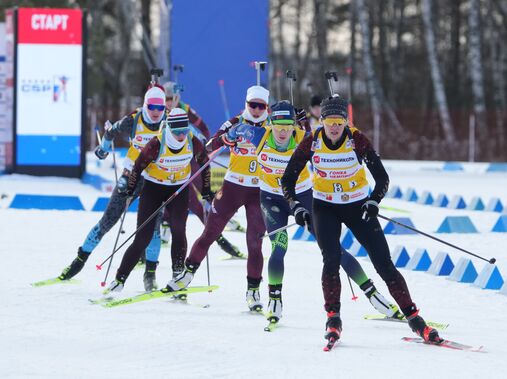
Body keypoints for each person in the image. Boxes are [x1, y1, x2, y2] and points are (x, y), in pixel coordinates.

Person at [281, 95, 441, 344]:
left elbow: (382, 178)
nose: (334, 127)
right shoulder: (311, 142)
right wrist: (296, 207)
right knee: (331, 260)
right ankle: (333, 320)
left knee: (384, 264)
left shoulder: (357, 140)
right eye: (330, 121)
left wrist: (374, 200)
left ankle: (416, 320)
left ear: (346, 121)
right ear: (321, 121)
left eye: (339, 121)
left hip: (357, 207)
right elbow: (287, 180)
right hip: (324, 208)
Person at [256, 100, 401, 325]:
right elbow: (221, 141)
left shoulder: (302, 137)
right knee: (279, 246)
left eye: (287, 125)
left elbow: (328, 140)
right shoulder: (260, 137)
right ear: (269, 123)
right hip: (272, 198)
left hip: (305, 196)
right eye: (277, 125)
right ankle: (274, 299)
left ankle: (373, 295)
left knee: (334, 252)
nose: (283, 131)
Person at [164, 85, 270, 311]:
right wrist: (228, 138)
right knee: (210, 232)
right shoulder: (235, 121)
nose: (257, 110)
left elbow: (290, 147)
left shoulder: (273, 126)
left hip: (259, 190)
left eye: (262, 106)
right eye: (253, 105)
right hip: (233, 186)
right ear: (246, 104)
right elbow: (211, 145)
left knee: (255, 243)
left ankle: (253, 292)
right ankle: (186, 275)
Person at [58, 86, 167, 290]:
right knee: (108, 220)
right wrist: (103, 149)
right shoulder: (134, 119)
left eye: (159, 107)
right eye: (151, 106)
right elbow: (110, 132)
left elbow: (187, 138)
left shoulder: (168, 121)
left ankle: (150, 274)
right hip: (131, 175)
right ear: (145, 104)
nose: (155, 111)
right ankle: (79, 260)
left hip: (155, 178)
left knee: (154, 226)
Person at [105, 108, 212, 293]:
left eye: (184, 131)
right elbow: (137, 167)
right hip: (154, 188)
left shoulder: (191, 142)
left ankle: (177, 276)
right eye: (177, 131)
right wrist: (130, 190)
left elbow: (204, 164)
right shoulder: (156, 143)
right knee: (143, 237)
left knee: (179, 229)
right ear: (169, 128)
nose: (180, 135)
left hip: (178, 190)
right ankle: (119, 279)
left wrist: (208, 191)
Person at [161, 82, 242, 258]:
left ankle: (226, 223)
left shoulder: (185, 109)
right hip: (170, 165)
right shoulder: (158, 111)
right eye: (165, 99)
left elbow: (204, 128)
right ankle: (164, 232)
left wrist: (204, 148)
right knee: (186, 204)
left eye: (170, 99)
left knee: (205, 196)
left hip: (191, 161)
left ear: (177, 97)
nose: (168, 103)